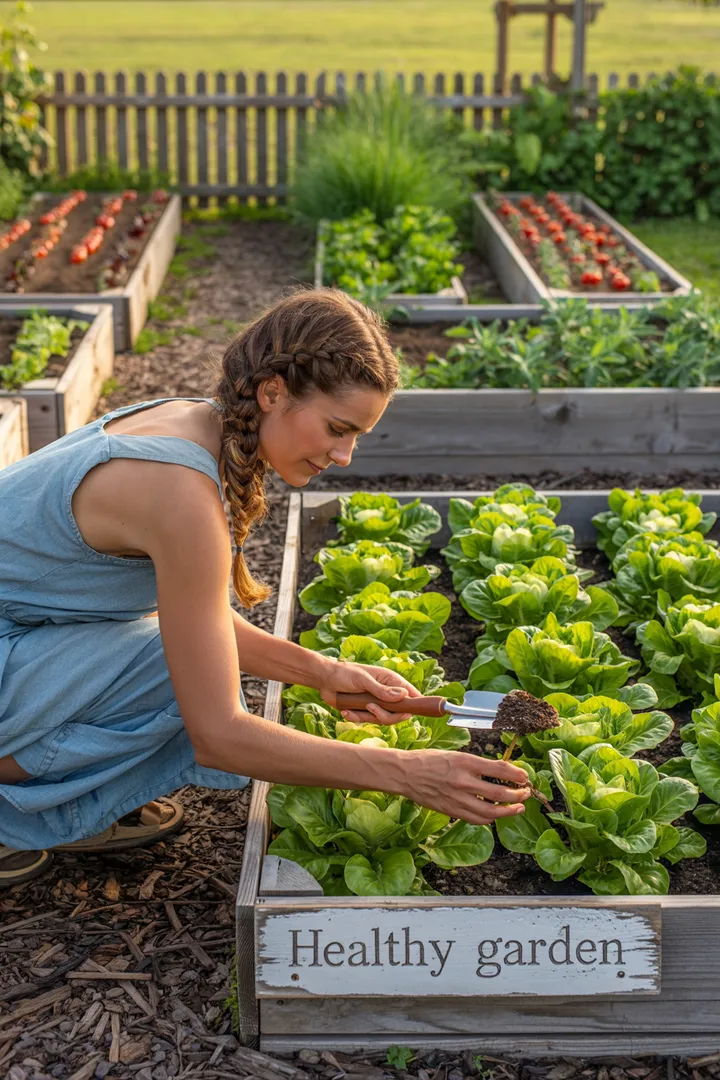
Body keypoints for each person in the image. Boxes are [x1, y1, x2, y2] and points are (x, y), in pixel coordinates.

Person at [0, 289, 529, 886]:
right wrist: (406, 772)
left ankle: (52, 792)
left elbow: (197, 618)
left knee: (182, 656)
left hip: (18, 634)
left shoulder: (193, 421)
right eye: (337, 428)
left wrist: (322, 672)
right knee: (181, 678)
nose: (345, 455)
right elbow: (219, 735)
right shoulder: (176, 491)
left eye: (358, 436)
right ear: (272, 391)